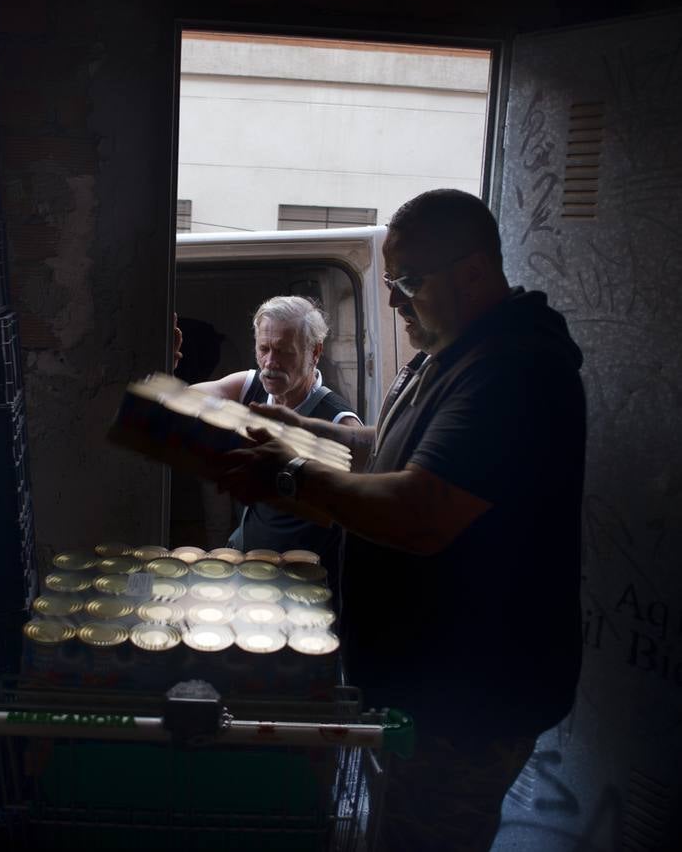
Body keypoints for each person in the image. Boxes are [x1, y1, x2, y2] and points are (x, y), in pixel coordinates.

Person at [215, 189, 585, 851]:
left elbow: (422, 512)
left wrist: (289, 475)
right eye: (390, 281)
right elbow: (389, 451)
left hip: (468, 699)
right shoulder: (450, 353)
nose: (392, 301)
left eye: (409, 281)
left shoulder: (513, 368)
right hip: (424, 688)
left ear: (474, 273)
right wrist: (300, 431)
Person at [185, 295, 362, 558]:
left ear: (314, 352)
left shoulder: (339, 423)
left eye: (283, 351)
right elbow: (183, 399)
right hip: (249, 560)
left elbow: (357, 522)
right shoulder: (250, 385)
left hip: (302, 576)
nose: (269, 363)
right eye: (264, 349)